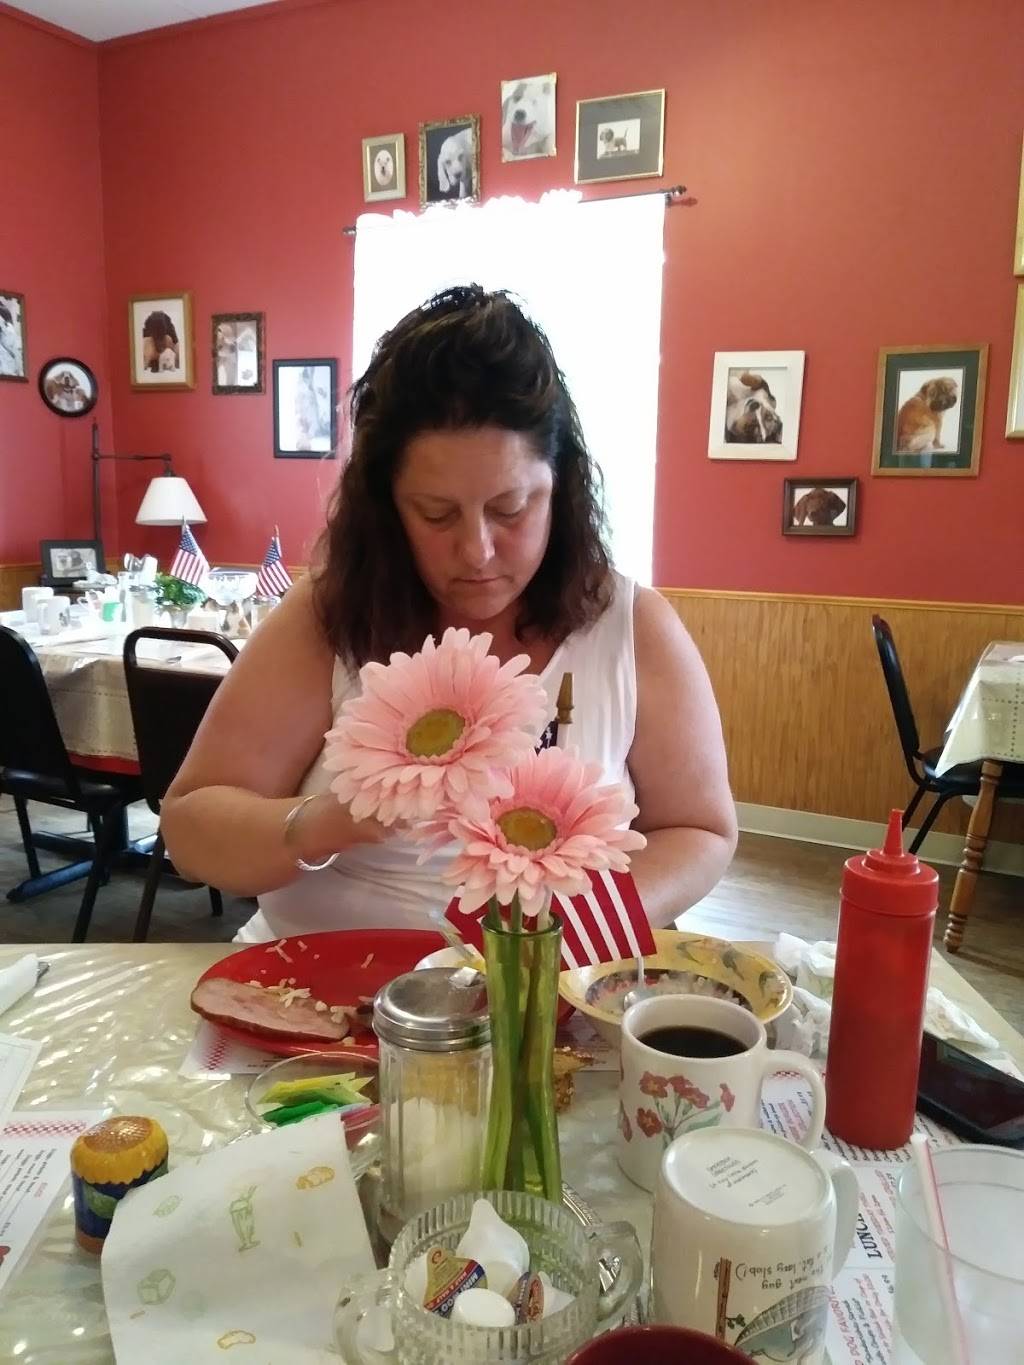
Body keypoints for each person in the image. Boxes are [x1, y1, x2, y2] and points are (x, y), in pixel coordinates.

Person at [162, 286, 736, 940]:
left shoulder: (632, 625)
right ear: (386, 507)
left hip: (550, 984)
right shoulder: (328, 617)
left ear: (562, 487)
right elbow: (191, 828)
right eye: (436, 514)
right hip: (322, 981)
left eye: (511, 509)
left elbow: (700, 829)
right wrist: (322, 821)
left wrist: (581, 928)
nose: (478, 550)